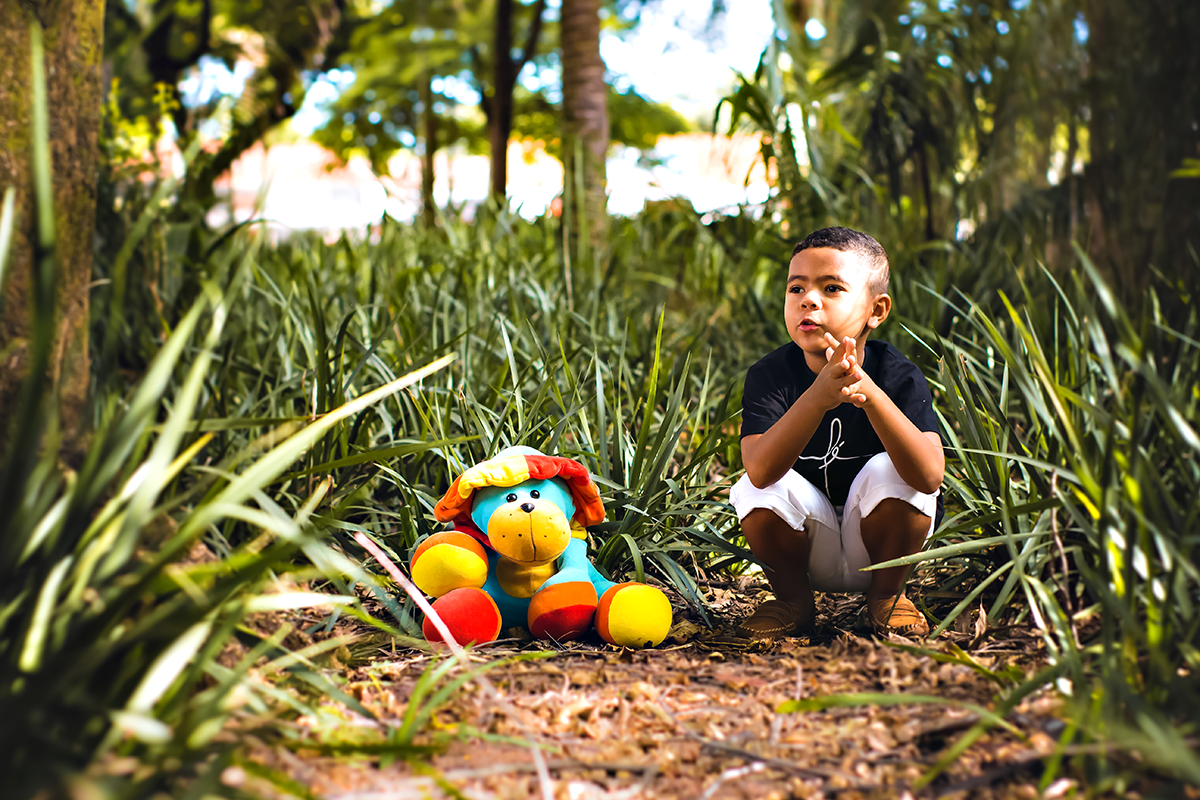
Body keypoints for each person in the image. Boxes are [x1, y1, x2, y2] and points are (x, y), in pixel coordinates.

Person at [732, 226, 944, 638]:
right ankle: (793, 602)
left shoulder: (898, 376)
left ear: (876, 311)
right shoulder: (770, 375)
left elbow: (929, 476)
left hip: (881, 552)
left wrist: (867, 392)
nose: (808, 299)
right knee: (752, 486)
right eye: (797, 289)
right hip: (811, 545)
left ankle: (887, 598)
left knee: (891, 469)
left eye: (831, 288)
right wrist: (818, 398)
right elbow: (759, 471)